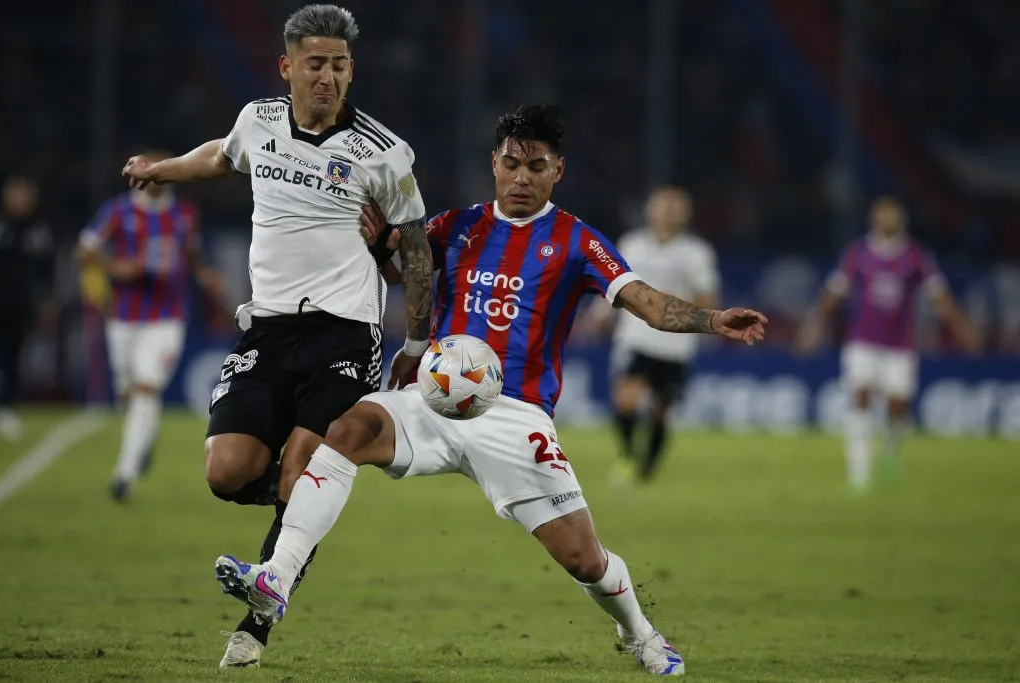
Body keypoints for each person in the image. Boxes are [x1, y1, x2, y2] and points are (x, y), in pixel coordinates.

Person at [214, 105, 767, 676]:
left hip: (514, 416)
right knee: (349, 428)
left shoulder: (577, 240)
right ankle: (276, 578)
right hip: (433, 397)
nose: (521, 177)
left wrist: (711, 318)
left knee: (584, 559)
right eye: (511, 164)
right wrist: (382, 249)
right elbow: (401, 268)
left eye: (536, 166)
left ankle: (640, 633)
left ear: (558, 171)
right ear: (494, 165)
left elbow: (647, 304)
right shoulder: (455, 226)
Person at [120, 4, 434, 669]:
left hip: (346, 334)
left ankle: (256, 622)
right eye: (315, 64)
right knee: (226, 471)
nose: (327, 77)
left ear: (352, 72)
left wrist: (413, 344)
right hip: (266, 326)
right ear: (287, 67)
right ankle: (309, 494)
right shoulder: (257, 121)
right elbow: (222, 158)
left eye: (339, 66)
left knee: (300, 467)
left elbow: (416, 251)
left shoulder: (384, 153)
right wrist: (166, 168)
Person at [794, 195, 980, 491]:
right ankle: (859, 473)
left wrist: (961, 327)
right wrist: (814, 324)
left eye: (892, 215)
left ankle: (891, 451)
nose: (887, 220)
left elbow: (939, 297)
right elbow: (834, 293)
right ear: (874, 219)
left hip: (899, 346)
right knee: (861, 396)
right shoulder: (858, 253)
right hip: (862, 342)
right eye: (882, 215)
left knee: (897, 406)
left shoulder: (916, 256)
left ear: (901, 220)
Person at [77, 157, 224, 499]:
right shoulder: (118, 211)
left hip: (167, 318)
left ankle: (123, 475)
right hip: (124, 316)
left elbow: (190, 255)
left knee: (146, 389)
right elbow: (84, 252)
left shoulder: (184, 214)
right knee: (129, 395)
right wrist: (117, 267)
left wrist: (204, 275)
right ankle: (145, 437)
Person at [586, 187, 718, 482]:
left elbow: (707, 299)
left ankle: (647, 467)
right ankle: (629, 456)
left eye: (675, 208)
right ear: (650, 210)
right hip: (636, 338)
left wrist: (673, 306)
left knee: (661, 412)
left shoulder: (696, 253)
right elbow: (613, 284)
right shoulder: (632, 245)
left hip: (676, 345)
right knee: (625, 400)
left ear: (685, 214)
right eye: (662, 207)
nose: (668, 213)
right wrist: (598, 316)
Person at [0, 174, 57, 440]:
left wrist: (47, 300)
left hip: (19, 305)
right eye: (15, 195)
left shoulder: (39, 231)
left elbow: (47, 270)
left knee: (12, 357)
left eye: (25, 196)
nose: (20, 201)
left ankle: (6, 407)